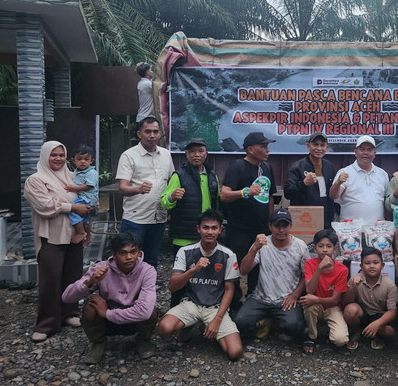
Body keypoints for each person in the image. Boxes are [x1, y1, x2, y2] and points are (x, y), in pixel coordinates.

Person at [24, 141, 92, 342]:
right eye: (53, 155)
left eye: (61, 155)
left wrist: (88, 211)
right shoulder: (35, 180)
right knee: (51, 280)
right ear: (45, 156)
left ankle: (69, 313)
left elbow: (86, 196)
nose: (58, 158)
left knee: (73, 276)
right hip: (51, 237)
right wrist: (73, 207)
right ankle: (46, 324)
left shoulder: (73, 176)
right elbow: (45, 206)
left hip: (74, 235)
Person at [158, 210, 244, 361]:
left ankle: (209, 327)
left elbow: (229, 290)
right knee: (164, 328)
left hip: (215, 307)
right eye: (205, 227)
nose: (210, 232)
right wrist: (193, 269)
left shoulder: (228, 254)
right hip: (191, 303)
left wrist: (217, 319)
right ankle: (190, 326)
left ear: (220, 230)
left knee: (234, 352)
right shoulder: (185, 251)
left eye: (214, 228)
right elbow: (172, 287)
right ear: (198, 229)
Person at [61, 232, 158, 364]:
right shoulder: (101, 268)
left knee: (151, 311)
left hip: (132, 317)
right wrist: (90, 282)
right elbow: (66, 298)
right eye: (123, 253)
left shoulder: (148, 271)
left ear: (139, 253)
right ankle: (98, 342)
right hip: (107, 321)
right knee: (91, 306)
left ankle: (143, 340)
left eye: (133, 252)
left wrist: (107, 313)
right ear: (114, 254)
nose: (129, 257)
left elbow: (144, 312)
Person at [161, 137, 220, 306]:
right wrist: (172, 196)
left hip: (207, 235)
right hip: (184, 236)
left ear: (206, 154)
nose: (196, 155)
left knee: (205, 276)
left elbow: (218, 203)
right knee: (181, 275)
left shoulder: (212, 176)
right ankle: (175, 309)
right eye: (192, 151)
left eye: (200, 151)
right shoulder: (179, 175)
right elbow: (164, 201)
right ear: (186, 154)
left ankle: (203, 307)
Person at [234, 208, 309, 341]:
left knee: (294, 326)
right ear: (270, 227)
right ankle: (268, 320)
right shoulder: (262, 244)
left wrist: (294, 295)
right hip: (260, 297)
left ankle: (272, 321)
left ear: (291, 226)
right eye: (277, 226)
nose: (281, 230)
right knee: (240, 323)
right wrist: (254, 249)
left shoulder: (300, 246)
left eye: (285, 225)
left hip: (286, 299)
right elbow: (243, 270)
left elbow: (306, 275)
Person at [220, 131, 277, 299]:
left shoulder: (267, 167)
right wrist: (245, 192)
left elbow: (270, 196)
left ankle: (254, 301)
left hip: (261, 229)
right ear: (251, 149)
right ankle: (234, 303)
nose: (267, 150)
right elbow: (224, 195)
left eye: (267, 146)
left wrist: (270, 222)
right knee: (236, 268)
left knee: (258, 268)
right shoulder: (237, 166)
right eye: (263, 146)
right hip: (240, 229)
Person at [116, 116, 175, 268]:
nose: (152, 135)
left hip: (158, 218)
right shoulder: (128, 155)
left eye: (155, 132)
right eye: (147, 131)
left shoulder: (166, 154)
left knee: (152, 261)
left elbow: (170, 182)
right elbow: (122, 188)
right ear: (139, 134)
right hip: (136, 219)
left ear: (160, 134)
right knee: (129, 261)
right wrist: (138, 189)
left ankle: (149, 284)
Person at [299, 229, 349, 354]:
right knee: (309, 305)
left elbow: (335, 300)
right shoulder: (310, 264)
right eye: (320, 246)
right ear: (315, 248)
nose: (325, 250)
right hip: (314, 306)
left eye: (329, 246)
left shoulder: (342, 269)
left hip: (332, 307)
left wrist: (316, 299)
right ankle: (311, 336)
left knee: (340, 340)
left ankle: (327, 331)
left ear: (335, 249)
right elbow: (310, 290)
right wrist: (319, 268)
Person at [342, 248, 398, 351]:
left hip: (379, 316)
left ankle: (375, 335)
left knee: (389, 331)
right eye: (367, 263)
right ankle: (356, 331)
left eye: (376, 263)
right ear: (361, 266)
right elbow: (345, 303)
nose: (372, 266)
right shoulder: (355, 280)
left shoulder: (390, 285)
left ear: (382, 265)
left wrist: (378, 323)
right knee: (350, 309)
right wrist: (353, 287)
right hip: (362, 315)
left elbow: (392, 312)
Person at [330, 135, 389, 224]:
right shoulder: (344, 172)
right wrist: (338, 183)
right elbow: (334, 196)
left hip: (377, 229)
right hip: (350, 229)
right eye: (362, 149)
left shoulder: (383, 174)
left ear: (374, 153)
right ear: (355, 152)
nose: (365, 153)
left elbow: (387, 202)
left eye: (369, 150)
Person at [283, 132, 337, 228]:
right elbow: (288, 193)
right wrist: (303, 183)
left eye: (322, 145)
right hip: (304, 219)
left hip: (325, 219)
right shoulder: (297, 167)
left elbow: (332, 194)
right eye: (315, 144)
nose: (319, 148)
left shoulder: (329, 167)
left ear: (327, 148)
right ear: (308, 146)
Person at [65, 144, 99, 245]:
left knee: (73, 211)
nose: (83, 161)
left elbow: (89, 186)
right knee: (86, 220)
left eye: (86, 159)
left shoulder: (91, 172)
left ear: (91, 161)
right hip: (84, 198)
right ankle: (88, 238)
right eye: (79, 159)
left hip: (86, 198)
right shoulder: (76, 171)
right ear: (73, 160)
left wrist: (73, 188)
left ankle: (81, 232)